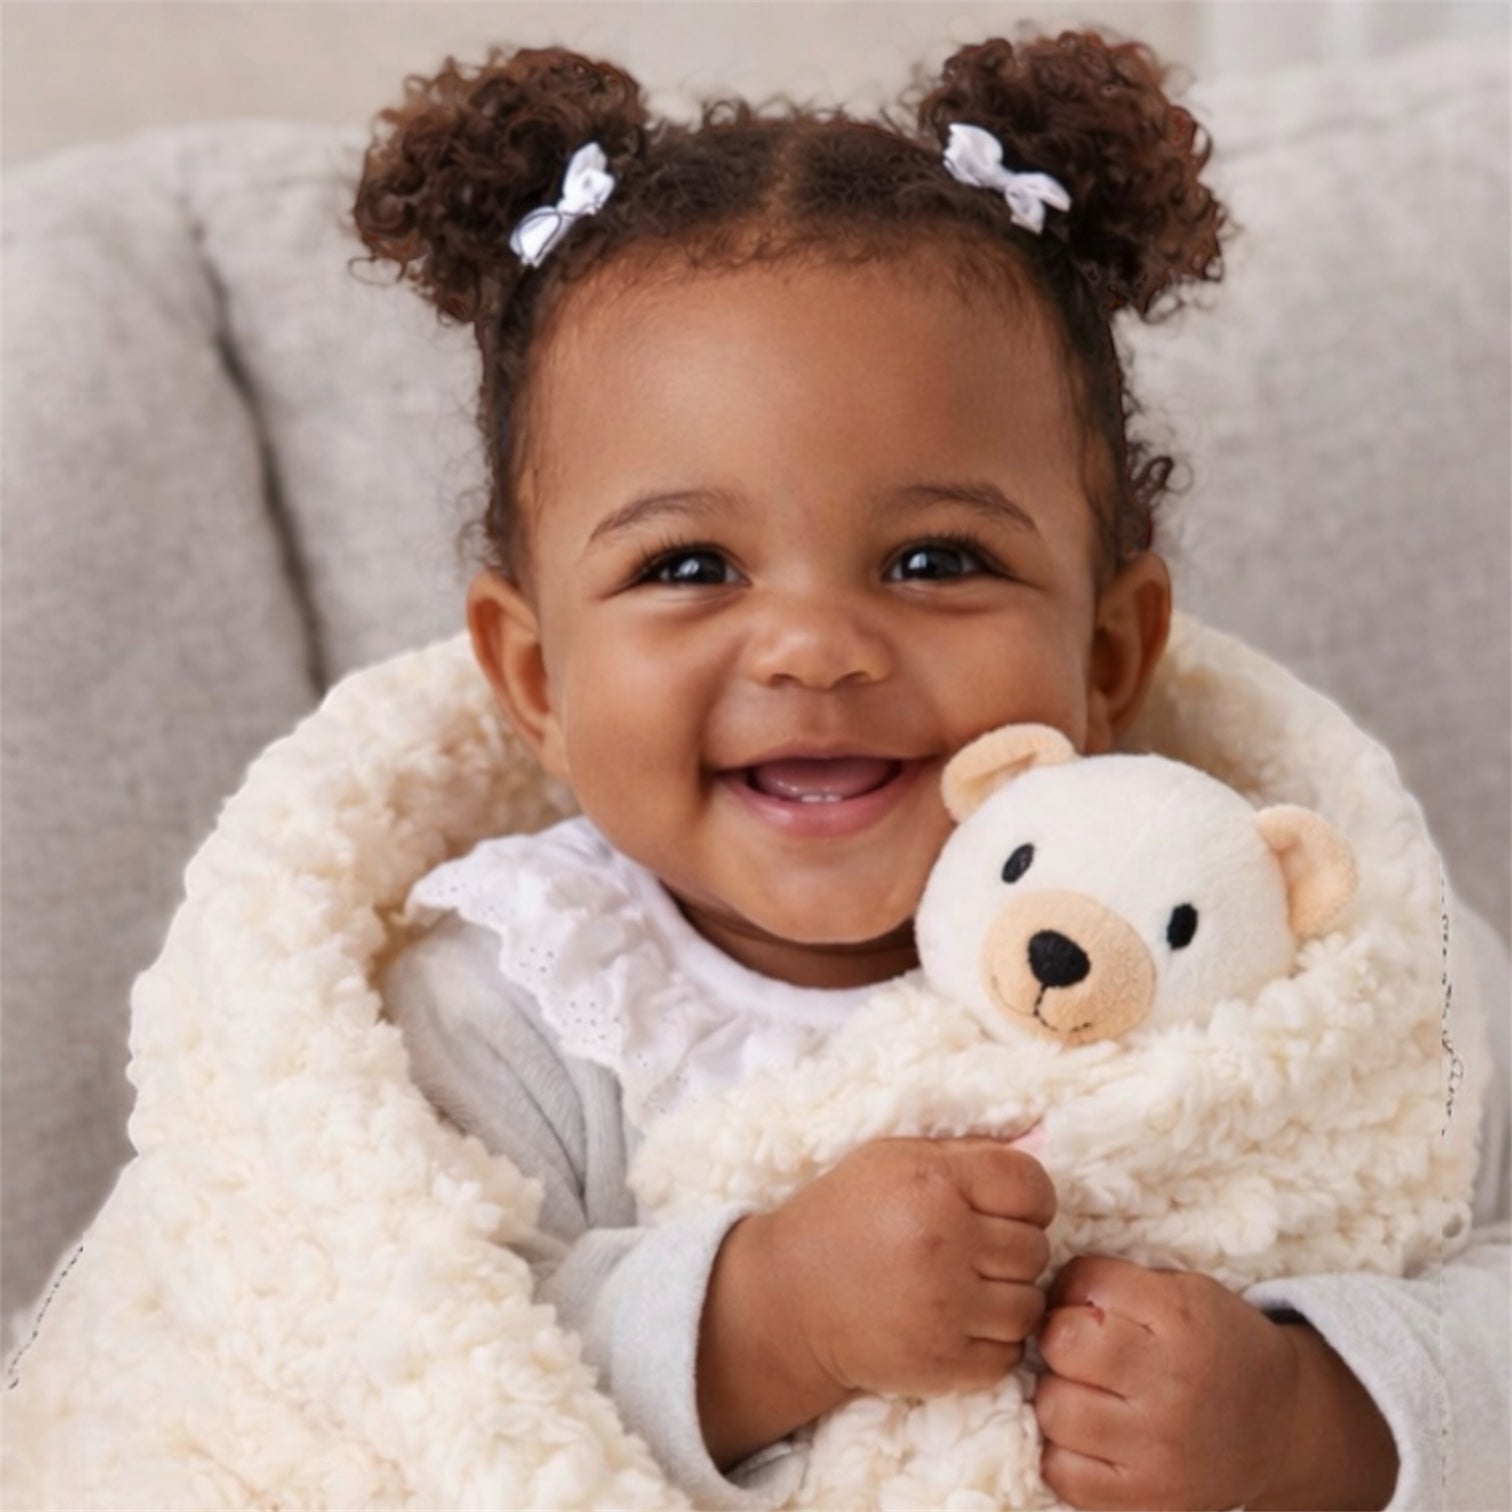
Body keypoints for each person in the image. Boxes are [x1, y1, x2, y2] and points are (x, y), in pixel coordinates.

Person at [352, 30, 1510, 1511]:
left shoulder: (1295, 949)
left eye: (933, 559)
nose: (816, 648)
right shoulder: (509, 999)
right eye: (691, 564)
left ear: (1106, 652)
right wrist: (763, 1324)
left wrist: (1320, 1415)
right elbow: (393, 1365)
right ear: (534, 679)